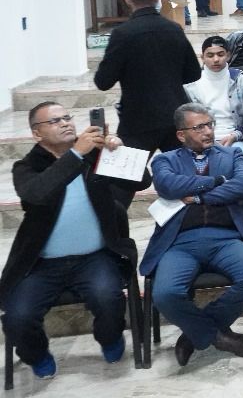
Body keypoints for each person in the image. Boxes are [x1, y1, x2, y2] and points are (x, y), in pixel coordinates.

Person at [0, 103, 147, 381]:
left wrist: (119, 151)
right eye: (55, 121)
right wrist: (76, 154)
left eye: (67, 117)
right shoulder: (27, 167)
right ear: (37, 133)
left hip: (96, 257)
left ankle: (110, 340)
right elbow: (37, 194)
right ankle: (38, 356)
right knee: (18, 317)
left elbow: (142, 182)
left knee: (108, 298)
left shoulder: (94, 156)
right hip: (42, 264)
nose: (66, 123)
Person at [140, 103, 243, 367]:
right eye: (199, 127)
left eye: (209, 124)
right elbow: (168, 186)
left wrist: (198, 197)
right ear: (181, 134)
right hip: (180, 243)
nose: (208, 131)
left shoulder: (231, 154)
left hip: (226, 238)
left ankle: (193, 334)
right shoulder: (165, 160)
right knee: (165, 293)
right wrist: (217, 181)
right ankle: (215, 336)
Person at [94, 0, 201, 196]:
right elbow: (193, 73)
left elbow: (103, 82)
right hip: (175, 117)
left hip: (137, 120)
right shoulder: (174, 29)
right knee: (187, 183)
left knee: (120, 187)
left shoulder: (122, 34)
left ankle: (115, 219)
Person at [185, 36, 243, 166]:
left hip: (235, 139)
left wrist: (236, 135)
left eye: (220, 54)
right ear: (202, 58)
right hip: (200, 141)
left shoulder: (241, 81)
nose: (216, 59)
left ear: (228, 55)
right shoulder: (190, 85)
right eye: (210, 55)